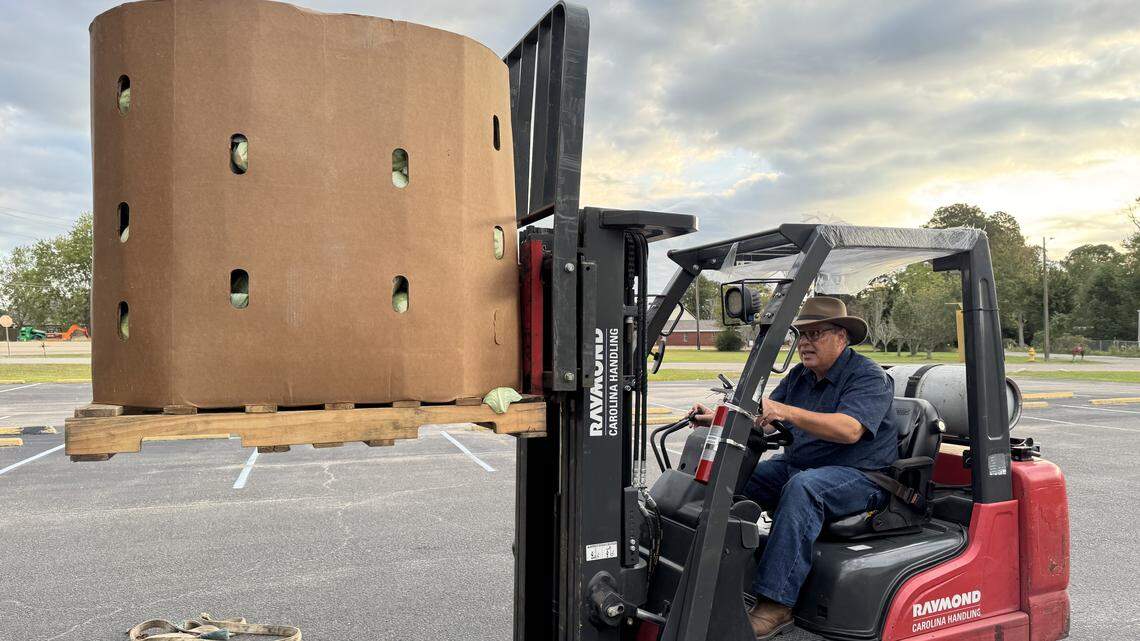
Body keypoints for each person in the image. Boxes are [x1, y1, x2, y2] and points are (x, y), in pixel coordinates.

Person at [690, 297, 897, 640]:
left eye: (814, 334)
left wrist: (788, 412)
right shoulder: (801, 376)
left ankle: (776, 603)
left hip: (862, 475)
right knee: (735, 477)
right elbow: (767, 419)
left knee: (804, 488)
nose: (804, 343)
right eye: (801, 335)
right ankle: (706, 574)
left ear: (841, 337)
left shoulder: (868, 377)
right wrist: (714, 419)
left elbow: (849, 429)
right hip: (802, 464)